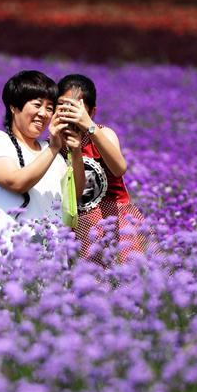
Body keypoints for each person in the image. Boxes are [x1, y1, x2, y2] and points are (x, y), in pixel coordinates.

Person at [0, 70, 77, 263]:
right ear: (14, 107)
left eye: (49, 108)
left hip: (52, 263)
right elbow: (16, 182)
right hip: (8, 262)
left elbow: (74, 195)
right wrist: (54, 148)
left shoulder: (52, 153)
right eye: (37, 105)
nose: (44, 114)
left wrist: (76, 150)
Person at [54, 73, 148, 263]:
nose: (69, 113)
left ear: (92, 112)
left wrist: (90, 127)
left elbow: (119, 168)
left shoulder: (103, 134)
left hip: (117, 221)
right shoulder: (54, 143)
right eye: (62, 105)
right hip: (81, 227)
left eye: (76, 107)